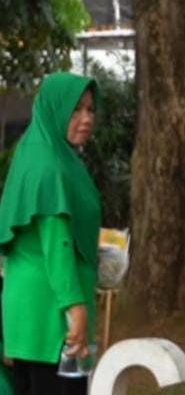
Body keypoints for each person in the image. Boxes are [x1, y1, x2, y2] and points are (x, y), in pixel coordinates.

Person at [0, 73, 101, 395]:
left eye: (90, 110)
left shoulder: (37, 153)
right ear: (54, 108)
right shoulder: (51, 167)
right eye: (75, 109)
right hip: (52, 316)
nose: (85, 119)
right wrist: (77, 309)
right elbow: (57, 245)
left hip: (27, 317)